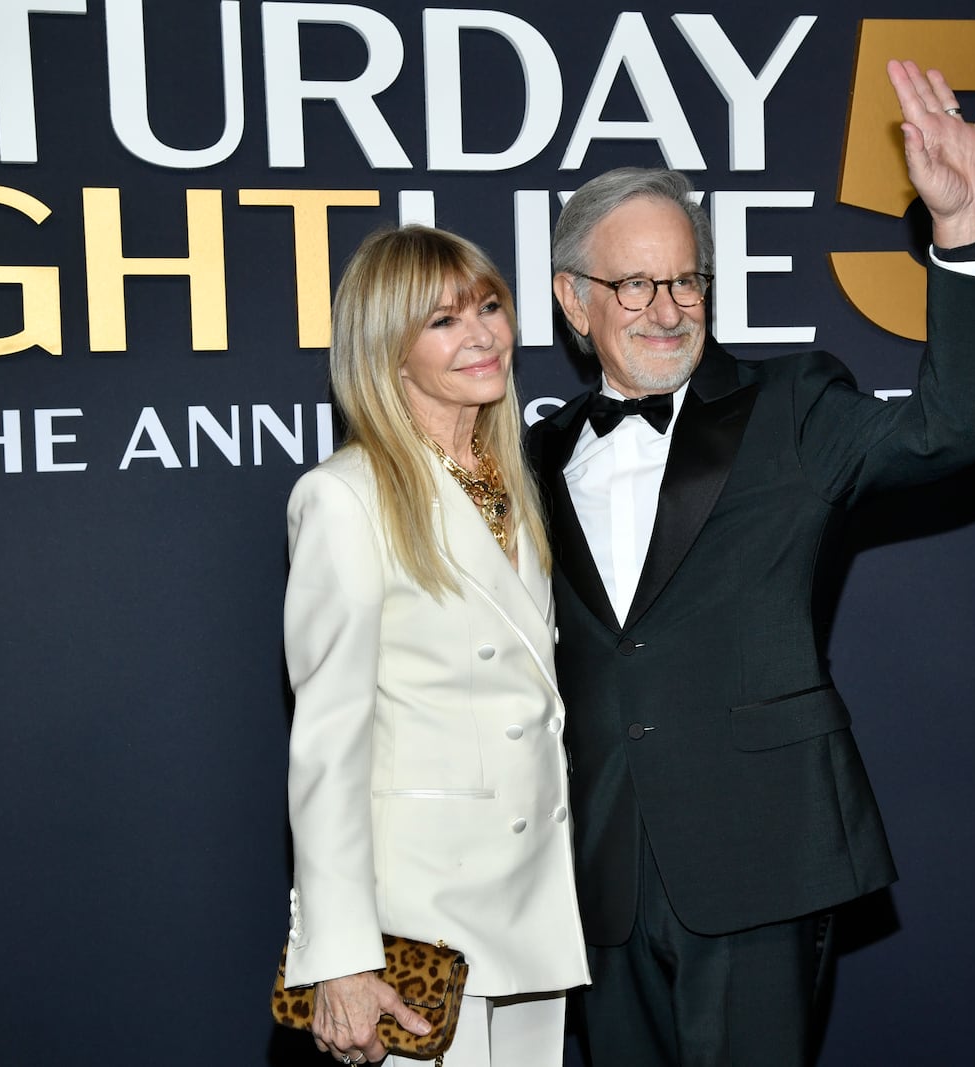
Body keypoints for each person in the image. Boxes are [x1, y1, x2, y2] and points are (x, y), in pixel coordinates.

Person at [527, 61, 975, 1065]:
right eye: (634, 282)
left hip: (761, 855)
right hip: (599, 873)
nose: (667, 307)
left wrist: (962, 234)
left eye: (686, 278)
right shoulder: (533, 458)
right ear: (574, 298)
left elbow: (953, 431)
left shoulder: (793, 404)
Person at [280, 225, 589, 1067]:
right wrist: (341, 955)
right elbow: (328, 743)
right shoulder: (344, 498)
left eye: (489, 306)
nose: (484, 333)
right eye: (444, 321)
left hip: (533, 904)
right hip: (419, 927)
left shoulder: (516, 484)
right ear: (389, 348)